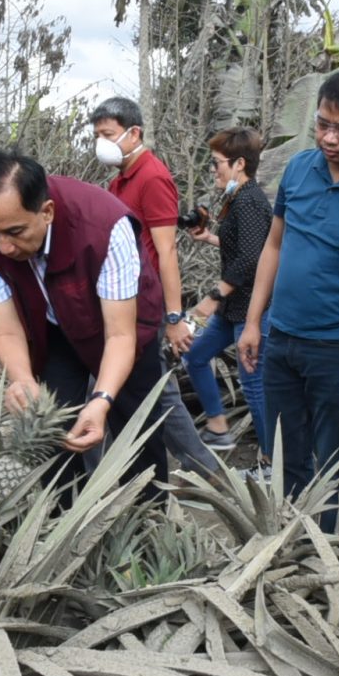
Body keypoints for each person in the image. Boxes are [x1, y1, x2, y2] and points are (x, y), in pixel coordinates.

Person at [0, 148, 168, 497]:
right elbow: (6, 328)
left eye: (15, 232)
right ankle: (62, 520)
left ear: (47, 212)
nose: (4, 247)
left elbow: (120, 335)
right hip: (55, 330)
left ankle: (148, 520)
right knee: (52, 423)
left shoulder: (105, 224)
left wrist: (101, 398)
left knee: (137, 429)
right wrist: (23, 379)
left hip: (126, 328)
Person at [238, 72, 339, 501]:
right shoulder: (299, 167)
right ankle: (287, 551)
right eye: (322, 124)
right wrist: (254, 322)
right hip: (282, 338)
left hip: (338, 348)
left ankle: (330, 555)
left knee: (335, 466)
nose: (329, 137)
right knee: (286, 456)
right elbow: (274, 245)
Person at [92, 97, 220, 475]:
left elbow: (166, 252)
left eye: (108, 134)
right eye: (97, 134)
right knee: (152, 396)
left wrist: (174, 315)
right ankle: (206, 472)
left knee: (154, 396)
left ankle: (207, 473)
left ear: (135, 134)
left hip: (143, 307)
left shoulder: (153, 177)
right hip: (120, 301)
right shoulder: (120, 179)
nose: (101, 142)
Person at [182, 127, 273, 472]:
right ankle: (219, 428)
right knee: (196, 355)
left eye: (216, 163)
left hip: (251, 308)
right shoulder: (238, 197)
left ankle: (269, 462)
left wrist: (211, 297)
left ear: (238, 163)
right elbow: (247, 247)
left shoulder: (249, 200)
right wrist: (209, 238)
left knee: (254, 386)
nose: (212, 169)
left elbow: (251, 259)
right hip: (233, 309)